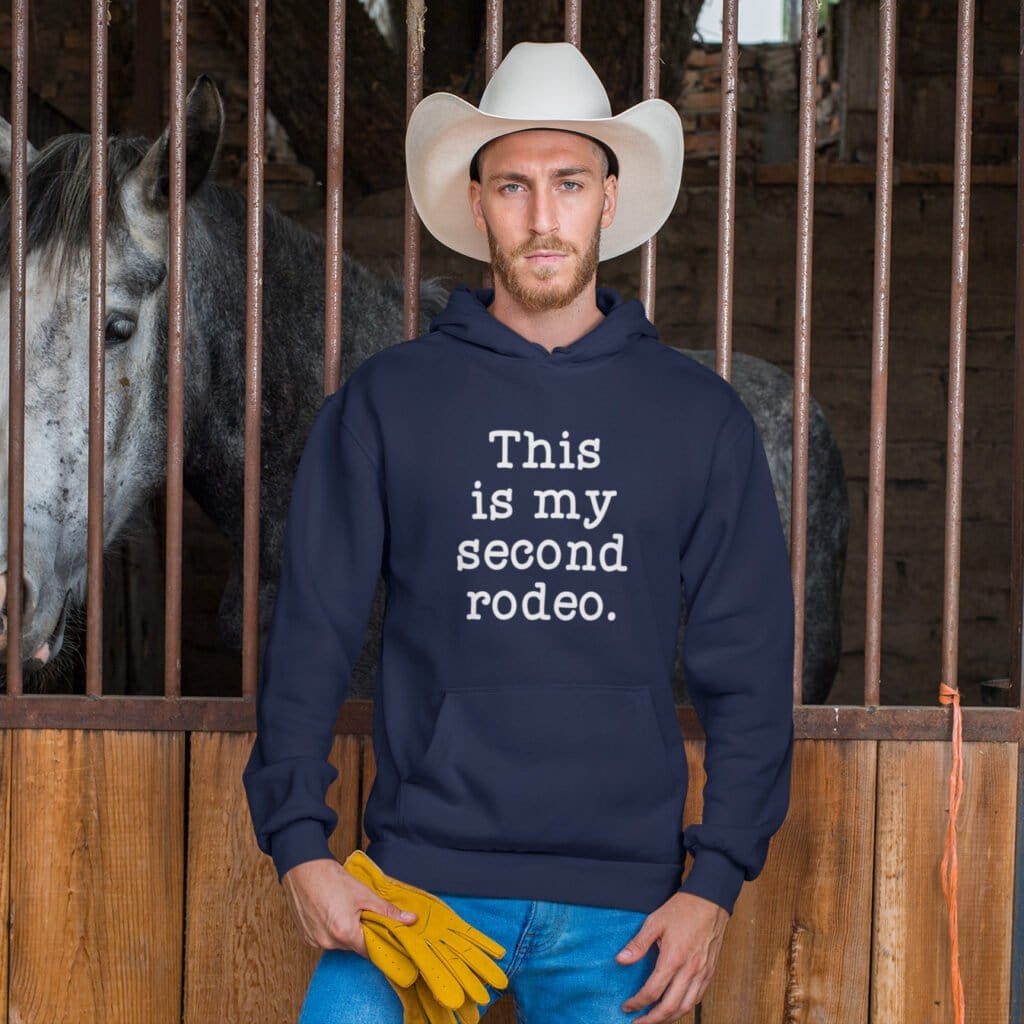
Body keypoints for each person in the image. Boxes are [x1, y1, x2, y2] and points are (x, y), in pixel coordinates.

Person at [243, 41, 795, 1024]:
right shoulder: (388, 401)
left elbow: (747, 663)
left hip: (625, 907)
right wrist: (298, 845)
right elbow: (309, 631)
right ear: (477, 204)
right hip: (416, 890)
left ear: (610, 200)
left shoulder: (696, 417)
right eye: (513, 187)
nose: (543, 218)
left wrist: (713, 880)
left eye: (569, 183)